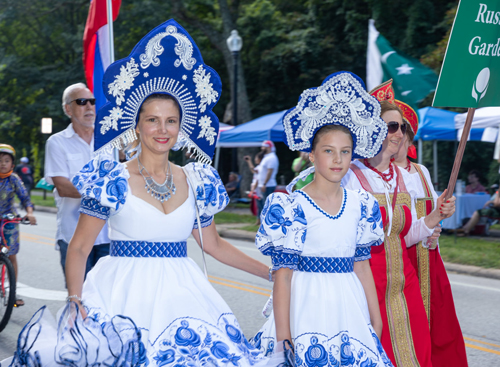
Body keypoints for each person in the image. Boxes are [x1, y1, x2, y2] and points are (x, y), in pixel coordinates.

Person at [5, 19, 272, 367]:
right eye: (152, 120)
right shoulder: (111, 178)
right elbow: (81, 247)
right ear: (136, 125)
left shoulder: (197, 180)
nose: (162, 130)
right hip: (120, 295)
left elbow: (216, 246)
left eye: (171, 121)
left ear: (181, 127)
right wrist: (75, 298)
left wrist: (272, 272)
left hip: (185, 297)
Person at [252, 72, 393, 366]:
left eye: (345, 152)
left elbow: (363, 267)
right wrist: (284, 335)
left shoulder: (362, 205)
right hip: (305, 310)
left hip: (349, 310)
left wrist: (375, 320)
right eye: (328, 151)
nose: (338, 160)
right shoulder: (292, 207)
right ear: (312, 155)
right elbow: (284, 276)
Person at [342, 79, 456, 367]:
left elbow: (403, 237)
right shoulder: (351, 176)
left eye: (402, 127)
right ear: (372, 129)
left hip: (404, 284)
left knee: (417, 353)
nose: (399, 133)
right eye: (392, 126)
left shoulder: (403, 175)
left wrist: (435, 217)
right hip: (367, 283)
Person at [392, 97, 468, 367]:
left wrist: (441, 218)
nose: (398, 139)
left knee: (440, 330)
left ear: (410, 140)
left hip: (428, 260)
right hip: (397, 262)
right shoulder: (376, 175)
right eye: (391, 131)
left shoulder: (421, 171)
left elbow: (434, 214)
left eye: (403, 133)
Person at [44, 82, 110, 281]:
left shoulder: (110, 142)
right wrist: (106, 192)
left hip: (109, 234)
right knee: (79, 298)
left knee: (108, 299)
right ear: (68, 109)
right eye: (81, 102)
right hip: (74, 235)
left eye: (92, 101)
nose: (89, 106)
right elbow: (63, 187)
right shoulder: (57, 142)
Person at [0, 144, 37, 307]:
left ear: (12, 165)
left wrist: (29, 213)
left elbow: (25, 198)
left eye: (6, 161)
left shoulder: (14, 178)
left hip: (9, 222)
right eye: (0, 161)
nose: (2, 164)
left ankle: (12, 292)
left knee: (11, 255)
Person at [257, 140, 279, 217]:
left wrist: (264, 184)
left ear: (268, 147)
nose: (261, 148)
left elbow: (269, 172)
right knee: (262, 204)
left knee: (266, 205)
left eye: (263, 147)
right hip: (264, 185)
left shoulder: (272, 158)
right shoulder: (266, 157)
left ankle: (267, 221)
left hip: (268, 185)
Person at [244, 151, 264, 224]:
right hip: (257, 189)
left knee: (261, 205)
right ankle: (258, 219)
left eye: (256, 158)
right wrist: (249, 162)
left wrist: (253, 189)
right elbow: (253, 170)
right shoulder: (259, 167)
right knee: (259, 205)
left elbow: (258, 179)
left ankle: (261, 220)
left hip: (259, 189)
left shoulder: (262, 167)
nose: (255, 159)